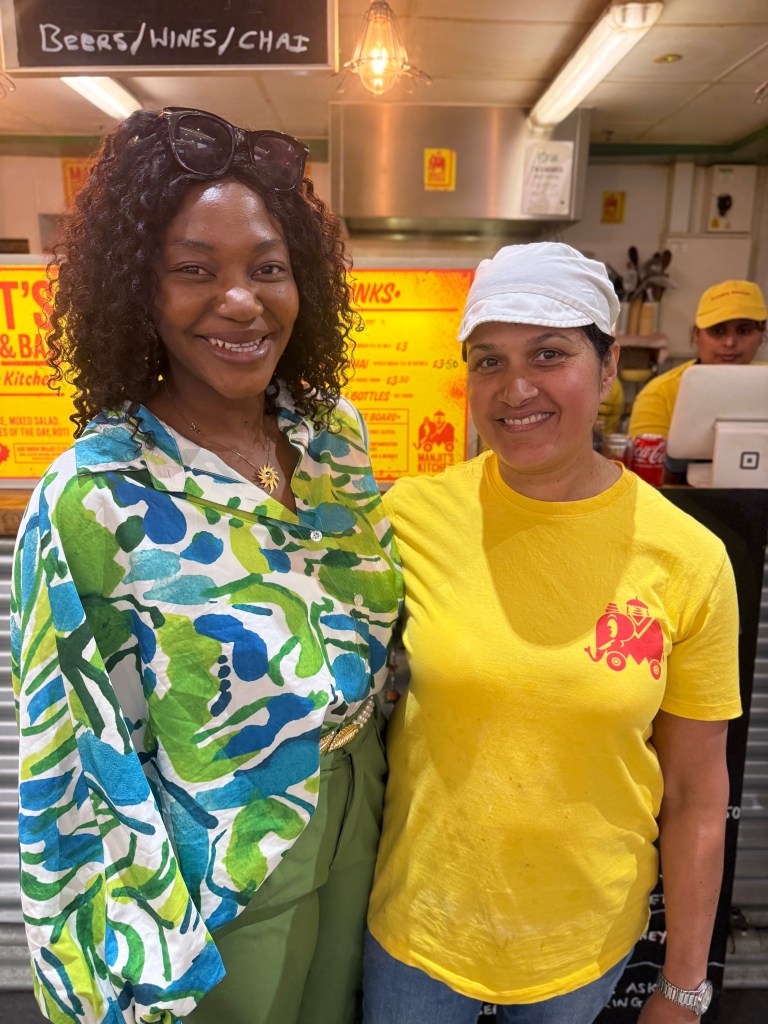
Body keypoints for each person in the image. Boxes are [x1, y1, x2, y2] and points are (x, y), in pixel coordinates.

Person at [10, 107, 401, 1024]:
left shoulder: (334, 440)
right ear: (136, 291)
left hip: (367, 814)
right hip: (219, 863)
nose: (240, 301)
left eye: (268, 268)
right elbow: (71, 758)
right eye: (195, 270)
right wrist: (117, 951)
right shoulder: (95, 495)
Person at [364, 243, 741, 1024]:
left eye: (549, 353)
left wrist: (682, 985)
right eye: (488, 361)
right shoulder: (408, 517)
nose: (516, 388)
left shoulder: (690, 560)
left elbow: (700, 797)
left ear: (607, 371)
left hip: (582, 942)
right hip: (419, 929)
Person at [628, 279, 767, 438]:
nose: (730, 342)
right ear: (697, 334)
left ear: (762, 334)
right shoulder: (660, 394)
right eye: (718, 331)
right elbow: (646, 459)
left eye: (744, 331)